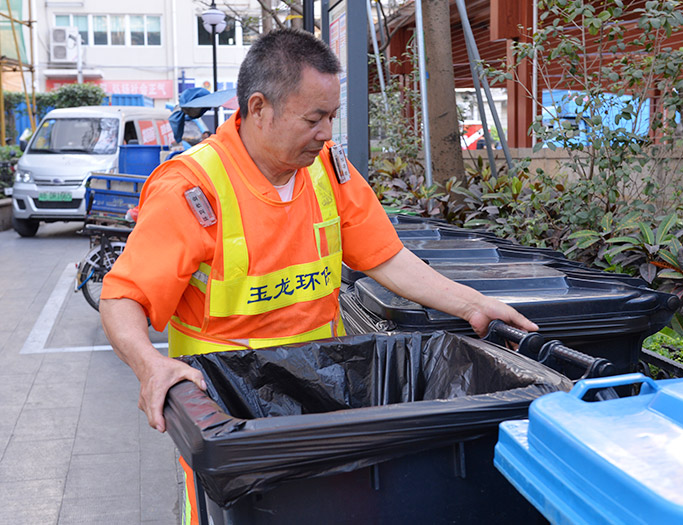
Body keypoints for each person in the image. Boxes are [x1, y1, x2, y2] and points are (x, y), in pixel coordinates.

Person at [100, 27, 536, 520]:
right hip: (235, 425)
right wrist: (150, 367)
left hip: (324, 399)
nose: (327, 133)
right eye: (314, 118)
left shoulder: (328, 171)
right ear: (259, 108)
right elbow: (123, 297)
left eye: (331, 116)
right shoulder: (193, 190)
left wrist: (472, 303)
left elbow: (384, 257)